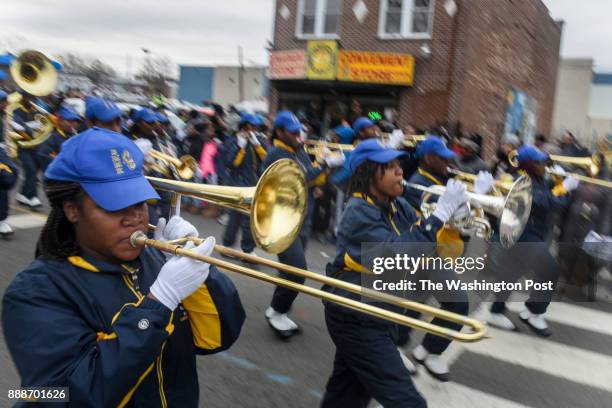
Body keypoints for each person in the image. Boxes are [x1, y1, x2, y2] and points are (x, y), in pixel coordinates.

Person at [2, 128, 245, 407]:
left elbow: (216, 339)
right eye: (114, 206)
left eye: (139, 202)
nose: (135, 219)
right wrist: (157, 305)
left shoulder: (154, 262)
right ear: (72, 210)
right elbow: (60, 397)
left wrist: (202, 273)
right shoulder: (33, 292)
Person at [320, 139, 469, 407]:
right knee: (408, 402)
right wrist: (439, 215)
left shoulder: (396, 205)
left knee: (347, 394)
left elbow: (437, 252)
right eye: (388, 166)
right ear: (367, 174)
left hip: (379, 309)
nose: (399, 170)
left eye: (398, 164)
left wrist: (454, 222)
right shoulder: (358, 212)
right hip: (357, 314)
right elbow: (399, 257)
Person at [402, 136, 489, 381]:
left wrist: (475, 199)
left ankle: (428, 350)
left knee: (452, 305)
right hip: (426, 255)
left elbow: (465, 228)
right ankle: (397, 348)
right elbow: (422, 224)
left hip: (444, 254)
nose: (450, 163)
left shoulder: (445, 180)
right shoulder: (419, 185)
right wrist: (453, 208)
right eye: (444, 159)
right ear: (429, 158)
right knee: (414, 305)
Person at [263, 111, 344, 338]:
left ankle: (277, 309)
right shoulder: (276, 154)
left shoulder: (297, 150)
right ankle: (277, 311)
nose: (298, 135)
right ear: (279, 132)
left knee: (289, 271)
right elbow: (300, 179)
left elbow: (312, 179)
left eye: (299, 130)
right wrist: (323, 163)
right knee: (297, 272)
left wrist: (327, 167)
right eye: (292, 131)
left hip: (302, 218)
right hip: (281, 221)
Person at [487, 145, 579, 336]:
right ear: (527, 164)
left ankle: (496, 311)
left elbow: (552, 197)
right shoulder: (519, 181)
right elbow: (549, 202)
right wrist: (565, 188)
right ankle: (533, 312)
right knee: (550, 270)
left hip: (527, 233)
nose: (544, 165)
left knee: (511, 273)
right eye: (539, 162)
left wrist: (560, 182)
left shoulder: (539, 178)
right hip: (524, 234)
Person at [221, 113, 268, 257]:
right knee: (236, 218)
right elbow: (231, 163)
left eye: (254, 127)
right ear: (243, 127)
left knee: (250, 219)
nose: (252, 130)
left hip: (254, 185)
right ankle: (229, 246)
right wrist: (239, 146)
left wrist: (258, 145)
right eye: (250, 127)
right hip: (237, 185)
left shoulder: (258, 140)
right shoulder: (232, 140)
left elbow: (267, 160)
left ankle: (246, 249)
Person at [13, 92, 44, 209]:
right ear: (23, 98)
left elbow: (41, 125)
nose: (32, 100)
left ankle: (26, 195)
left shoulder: (35, 110)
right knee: (30, 170)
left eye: (34, 97)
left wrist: (40, 127)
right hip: (21, 146)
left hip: (34, 146)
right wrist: (30, 128)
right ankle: (30, 196)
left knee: (34, 172)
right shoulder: (16, 110)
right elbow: (18, 126)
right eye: (30, 98)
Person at [38, 106, 81, 171]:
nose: (73, 124)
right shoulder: (51, 137)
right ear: (60, 120)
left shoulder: (73, 136)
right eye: (70, 121)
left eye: (76, 122)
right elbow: (43, 155)